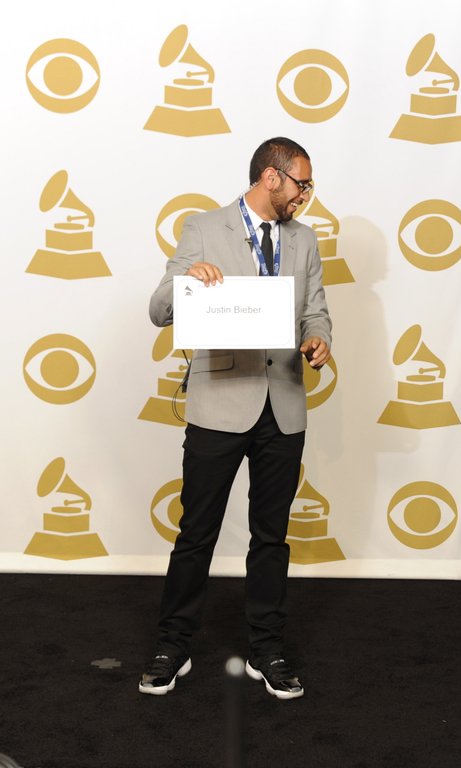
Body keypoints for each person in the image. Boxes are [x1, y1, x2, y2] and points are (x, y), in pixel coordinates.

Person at [140, 137, 332, 700]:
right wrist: (187, 284)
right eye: (301, 184)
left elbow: (316, 310)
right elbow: (158, 309)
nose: (305, 195)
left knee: (271, 537)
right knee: (196, 532)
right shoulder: (203, 228)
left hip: (284, 405)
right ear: (272, 177)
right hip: (219, 401)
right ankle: (172, 646)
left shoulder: (304, 239)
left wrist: (319, 339)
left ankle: (266, 649)